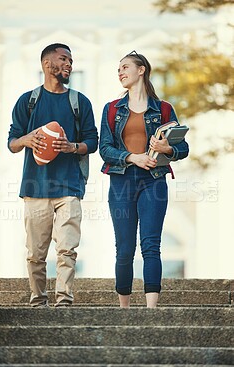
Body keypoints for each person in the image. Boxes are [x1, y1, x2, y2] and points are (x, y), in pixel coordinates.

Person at [8, 43, 98, 307]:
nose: (70, 64)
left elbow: (92, 141)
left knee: (67, 249)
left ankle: (64, 300)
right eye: (64, 59)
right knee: (36, 253)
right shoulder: (28, 101)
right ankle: (38, 300)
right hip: (35, 189)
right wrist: (27, 139)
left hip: (70, 187)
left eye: (71, 60)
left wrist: (73, 147)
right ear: (47, 65)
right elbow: (12, 142)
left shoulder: (79, 102)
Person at [99, 50, 189, 308]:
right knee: (124, 248)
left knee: (151, 244)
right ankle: (124, 310)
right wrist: (133, 157)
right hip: (121, 182)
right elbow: (105, 149)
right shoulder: (112, 109)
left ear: (141, 70)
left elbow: (182, 148)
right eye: (118, 69)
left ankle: (151, 311)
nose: (120, 72)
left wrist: (167, 150)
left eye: (125, 67)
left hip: (154, 182)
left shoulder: (163, 109)